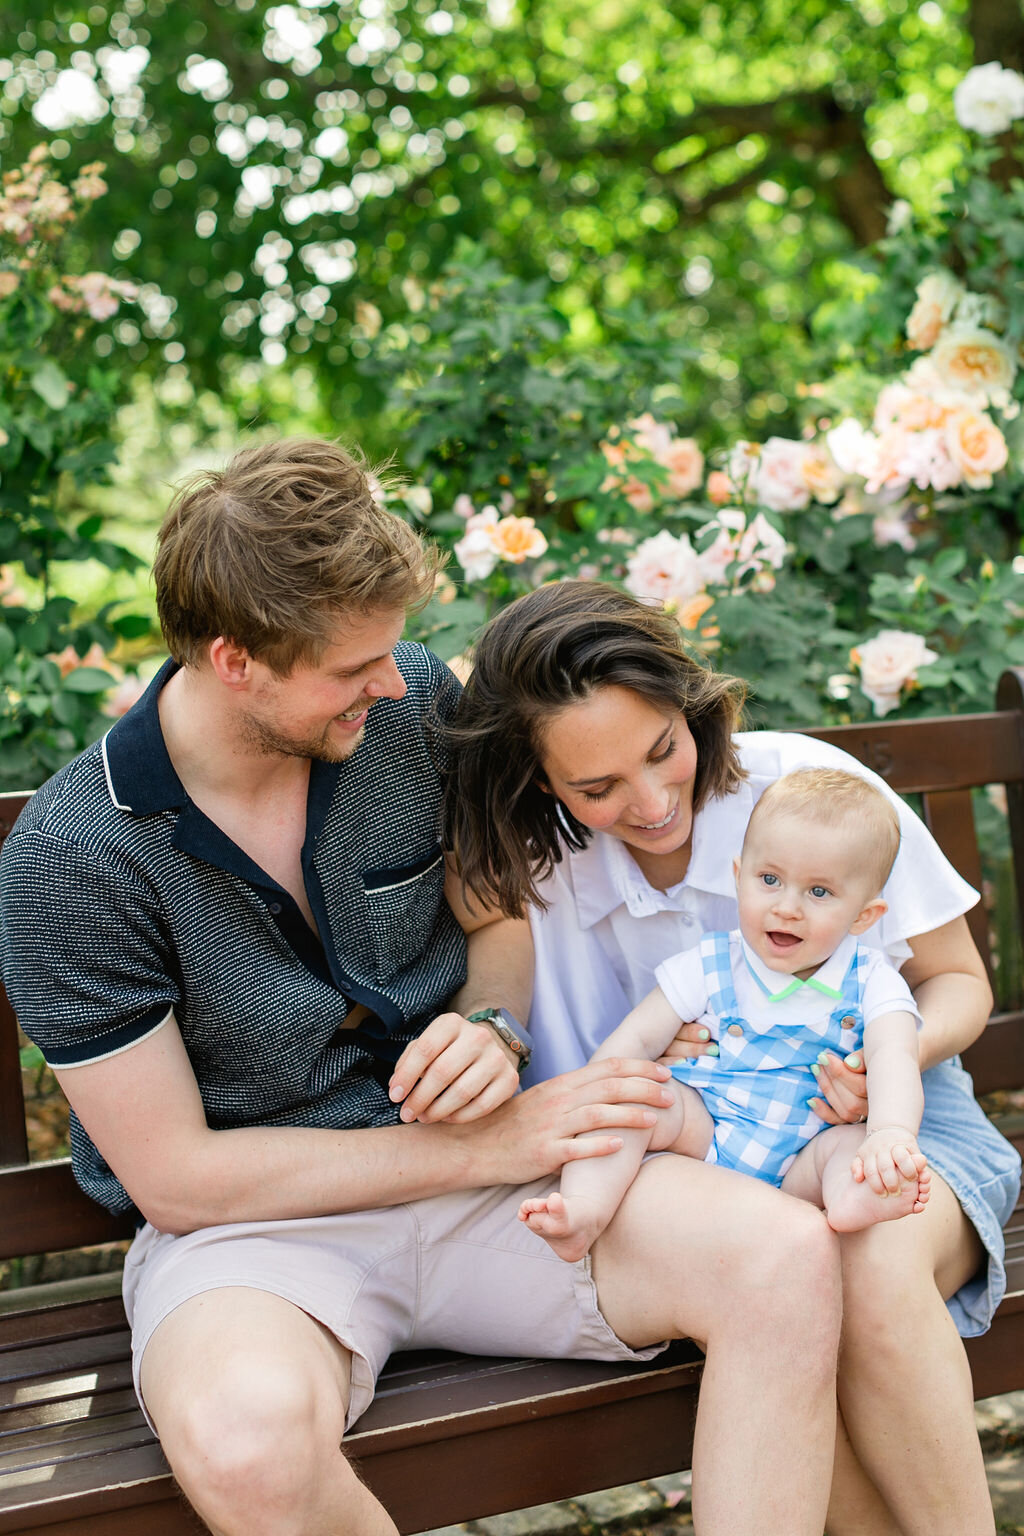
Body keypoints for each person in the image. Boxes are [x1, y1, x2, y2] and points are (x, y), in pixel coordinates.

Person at [0, 442, 843, 1536]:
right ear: (235, 659)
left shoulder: (405, 716)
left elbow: (492, 916)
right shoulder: (74, 859)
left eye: (393, 653)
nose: (393, 684)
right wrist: (484, 1145)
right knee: (248, 1450)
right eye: (355, 668)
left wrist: (493, 1027)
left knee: (784, 1259)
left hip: (505, 1188)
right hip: (260, 1234)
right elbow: (180, 1182)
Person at [446, 579, 1022, 1536]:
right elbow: (578, 1084)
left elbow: (959, 982)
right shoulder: (535, 873)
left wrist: (884, 1068)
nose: (652, 801)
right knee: (779, 1275)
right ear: (539, 780)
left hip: (893, 1127)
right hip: (712, 1153)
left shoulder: (801, 789)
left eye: (663, 749)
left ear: (689, 706)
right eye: (597, 789)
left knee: (866, 1258)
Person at [519, 767, 932, 1261]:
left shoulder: (870, 979)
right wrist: (598, 1098)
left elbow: (895, 1059)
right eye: (770, 879)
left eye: (819, 892)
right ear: (739, 878)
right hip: (707, 1130)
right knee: (640, 1100)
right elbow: (633, 1042)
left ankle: (851, 1200)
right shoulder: (712, 963)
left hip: (809, 1152)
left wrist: (890, 1134)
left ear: (864, 916)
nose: (787, 907)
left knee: (852, 1147)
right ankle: (583, 1208)